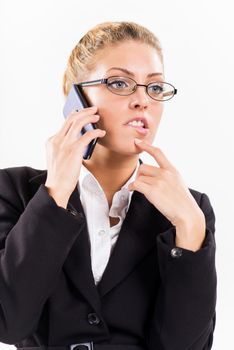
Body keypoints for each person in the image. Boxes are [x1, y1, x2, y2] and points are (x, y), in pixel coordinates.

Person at [0, 21, 216, 350]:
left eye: (155, 88)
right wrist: (55, 192)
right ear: (75, 96)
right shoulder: (14, 191)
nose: (143, 100)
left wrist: (189, 228)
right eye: (120, 82)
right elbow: (9, 324)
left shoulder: (189, 210)